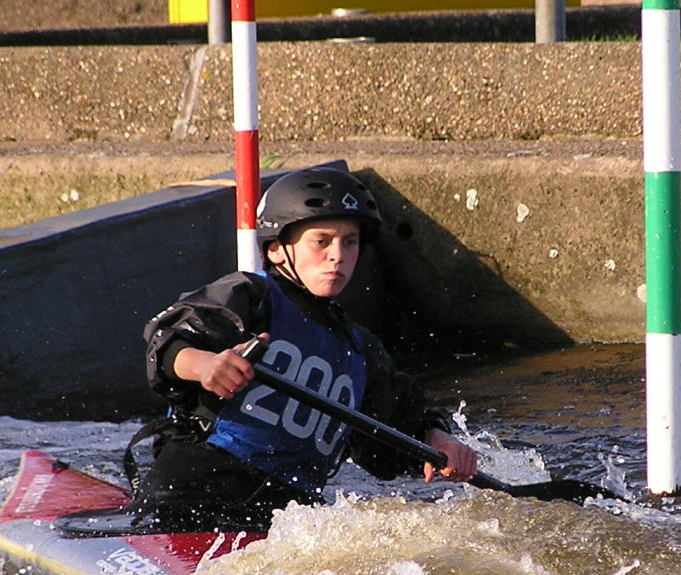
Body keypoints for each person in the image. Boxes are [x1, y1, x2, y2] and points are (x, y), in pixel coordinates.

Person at [128, 167, 477, 532]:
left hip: (288, 521)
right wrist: (204, 366)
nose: (337, 255)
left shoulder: (361, 351)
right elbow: (166, 342)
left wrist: (441, 442)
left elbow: (405, 425)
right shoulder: (249, 297)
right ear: (277, 249)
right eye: (321, 241)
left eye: (350, 242)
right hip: (193, 493)